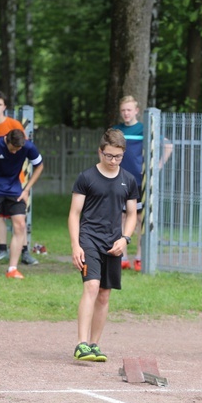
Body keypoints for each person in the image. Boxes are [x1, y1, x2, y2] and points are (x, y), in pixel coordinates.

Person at [68, 128, 138, 361]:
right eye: (109, 155)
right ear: (100, 152)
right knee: (91, 286)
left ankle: (95, 344)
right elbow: (74, 214)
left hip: (113, 242)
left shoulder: (128, 180)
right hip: (89, 238)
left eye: (118, 156)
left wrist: (125, 239)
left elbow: (131, 215)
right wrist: (75, 246)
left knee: (105, 294)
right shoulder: (86, 178)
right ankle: (81, 344)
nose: (113, 160)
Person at [0, 91, 39, 266]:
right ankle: (2, 249)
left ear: (4, 107)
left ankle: (25, 252)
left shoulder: (14, 124)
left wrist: (25, 186)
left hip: (15, 180)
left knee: (19, 220)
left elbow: (23, 148)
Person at [112, 96, 173, 271]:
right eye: (123, 110)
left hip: (139, 182)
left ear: (136, 111)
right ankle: (122, 256)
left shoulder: (144, 129)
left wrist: (156, 168)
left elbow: (168, 146)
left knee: (139, 219)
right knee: (120, 217)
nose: (126, 113)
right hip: (118, 180)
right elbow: (102, 150)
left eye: (129, 110)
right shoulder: (117, 130)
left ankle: (139, 257)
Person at [0, 129, 44, 280]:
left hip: (15, 190)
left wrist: (26, 190)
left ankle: (12, 269)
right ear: (6, 140)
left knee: (20, 225)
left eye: (18, 149)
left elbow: (39, 166)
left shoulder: (28, 147)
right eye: (13, 149)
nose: (15, 152)